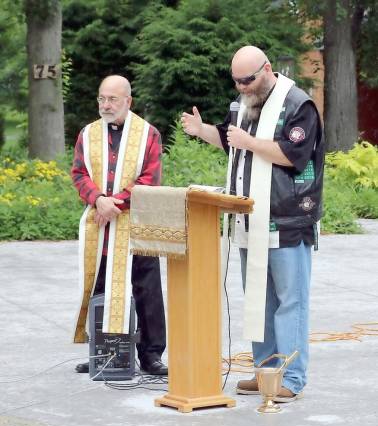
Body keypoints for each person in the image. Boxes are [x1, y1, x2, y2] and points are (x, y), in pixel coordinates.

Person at [181, 46, 324, 401]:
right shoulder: (242, 104)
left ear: (267, 69)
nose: (242, 87)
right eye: (237, 81)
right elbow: (233, 144)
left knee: (290, 302)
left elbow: (293, 156)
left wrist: (248, 142)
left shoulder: (298, 104)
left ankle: (290, 378)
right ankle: (265, 374)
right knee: (259, 301)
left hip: (289, 219)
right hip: (250, 218)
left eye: (248, 80)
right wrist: (203, 131)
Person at [72, 75, 167, 376]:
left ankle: (151, 355)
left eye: (112, 99)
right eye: (102, 98)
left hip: (137, 222)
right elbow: (78, 173)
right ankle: (101, 351)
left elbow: (150, 178)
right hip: (101, 224)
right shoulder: (88, 134)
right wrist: (99, 199)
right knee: (100, 287)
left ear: (128, 101)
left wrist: (116, 203)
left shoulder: (147, 134)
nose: (105, 104)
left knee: (146, 289)